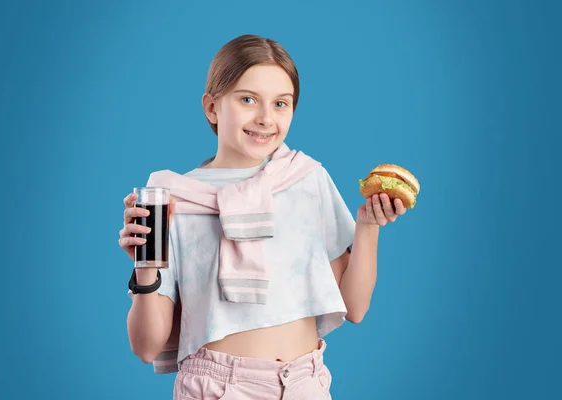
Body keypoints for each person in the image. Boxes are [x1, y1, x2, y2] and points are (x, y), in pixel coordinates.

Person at [119, 34, 406, 399]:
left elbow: (355, 307)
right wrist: (145, 268)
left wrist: (367, 226)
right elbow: (146, 346)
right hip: (218, 388)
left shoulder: (307, 179)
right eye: (247, 99)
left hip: (306, 383)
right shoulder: (170, 201)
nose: (266, 118)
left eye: (281, 103)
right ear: (212, 107)